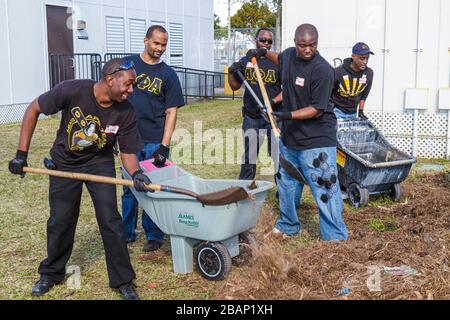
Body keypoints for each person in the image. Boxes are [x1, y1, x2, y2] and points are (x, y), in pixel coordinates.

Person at [8, 59, 151, 299]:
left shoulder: (126, 112)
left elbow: (128, 155)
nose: (131, 90)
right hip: (64, 163)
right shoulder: (72, 90)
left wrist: (136, 173)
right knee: (61, 220)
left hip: (100, 164)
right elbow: (33, 108)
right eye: (128, 84)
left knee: (110, 219)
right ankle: (51, 274)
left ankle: (123, 281)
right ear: (110, 80)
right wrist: (21, 155)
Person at [247, 24, 348, 241]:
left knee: (325, 187)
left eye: (312, 45)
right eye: (303, 45)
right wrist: (263, 52)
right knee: (287, 184)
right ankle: (288, 225)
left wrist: (285, 116)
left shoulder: (322, 70)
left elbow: (317, 108)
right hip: (290, 138)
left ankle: (335, 236)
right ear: (295, 43)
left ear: (317, 43)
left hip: (317, 139)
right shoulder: (290, 56)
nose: (307, 50)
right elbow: (280, 59)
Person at [121, 25, 185, 252]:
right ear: (146, 40)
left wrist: (164, 146)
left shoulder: (168, 74)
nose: (160, 48)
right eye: (156, 43)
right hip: (128, 138)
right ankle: (125, 233)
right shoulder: (127, 65)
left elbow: (172, 111)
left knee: (153, 188)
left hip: (153, 140)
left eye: (164, 45)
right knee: (129, 187)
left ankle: (154, 234)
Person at [228, 27, 282, 180]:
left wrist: (272, 102)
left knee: (278, 157)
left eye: (269, 41)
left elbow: (288, 90)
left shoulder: (277, 62)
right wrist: (232, 72)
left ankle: (283, 192)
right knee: (249, 157)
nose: (266, 44)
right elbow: (234, 86)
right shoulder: (246, 61)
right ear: (255, 40)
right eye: (263, 40)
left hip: (274, 117)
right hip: (252, 117)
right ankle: (244, 189)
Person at [331, 42, 374, 120]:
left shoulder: (369, 73)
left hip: (353, 113)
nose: (365, 62)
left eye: (367, 58)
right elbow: (328, 93)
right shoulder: (338, 72)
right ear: (353, 56)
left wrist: (360, 112)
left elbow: (364, 94)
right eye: (362, 58)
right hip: (337, 112)